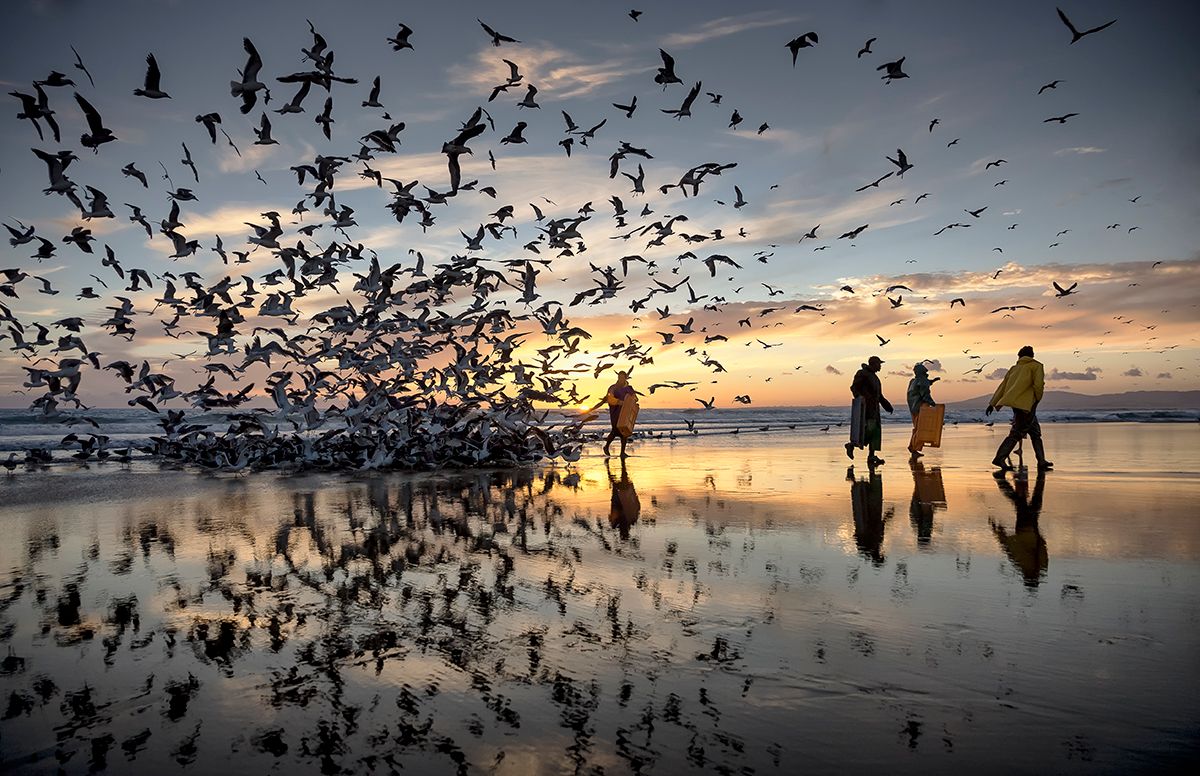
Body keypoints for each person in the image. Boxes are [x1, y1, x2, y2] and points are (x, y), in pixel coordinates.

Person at [986, 346, 1053, 471]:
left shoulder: (1014, 369)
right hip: (1027, 405)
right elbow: (1038, 385)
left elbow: (1003, 386)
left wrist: (992, 403)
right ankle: (999, 458)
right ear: (1032, 355)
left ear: (1020, 356)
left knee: (1035, 433)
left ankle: (1042, 461)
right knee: (1017, 433)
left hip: (1016, 405)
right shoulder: (1036, 366)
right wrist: (1037, 398)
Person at [989, 469, 1048, 588]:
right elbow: (1009, 547)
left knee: (1030, 499)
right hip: (1026, 528)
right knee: (1021, 501)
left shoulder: (1040, 566)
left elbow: (1042, 546)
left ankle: (1040, 476)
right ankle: (1001, 480)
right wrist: (998, 531)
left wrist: (999, 531)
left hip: (1031, 528)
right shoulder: (1029, 565)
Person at [845, 355, 894, 467]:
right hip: (865, 408)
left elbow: (879, 395)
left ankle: (871, 455)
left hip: (874, 408)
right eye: (879, 364)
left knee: (876, 431)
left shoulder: (875, 378)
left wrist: (887, 406)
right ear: (873, 364)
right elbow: (854, 388)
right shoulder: (862, 373)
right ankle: (851, 445)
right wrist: (860, 398)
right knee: (868, 430)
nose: (880, 366)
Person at [588, 370, 637, 457]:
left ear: (625, 378)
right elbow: (610, 398)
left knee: (624, 432)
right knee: (615, 430)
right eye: (619, 377)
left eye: (622, 377)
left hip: (625, 413)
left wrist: (632, 402)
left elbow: (635, 398)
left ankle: (622, 452)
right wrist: (619, 402)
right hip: (615, 412)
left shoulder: (629, 388)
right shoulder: (613, 387)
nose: (621, 379)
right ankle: (606, 447)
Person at [906, 362, 938, 459]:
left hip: (913, 407)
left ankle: (913, 447)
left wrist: (931, 382)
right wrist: (933, 404)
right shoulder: (922, 380)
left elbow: (922, 384)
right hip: (921, 408)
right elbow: (925, 394)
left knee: (917, 428)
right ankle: (914, 448)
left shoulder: (913, 381)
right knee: (920, 429)